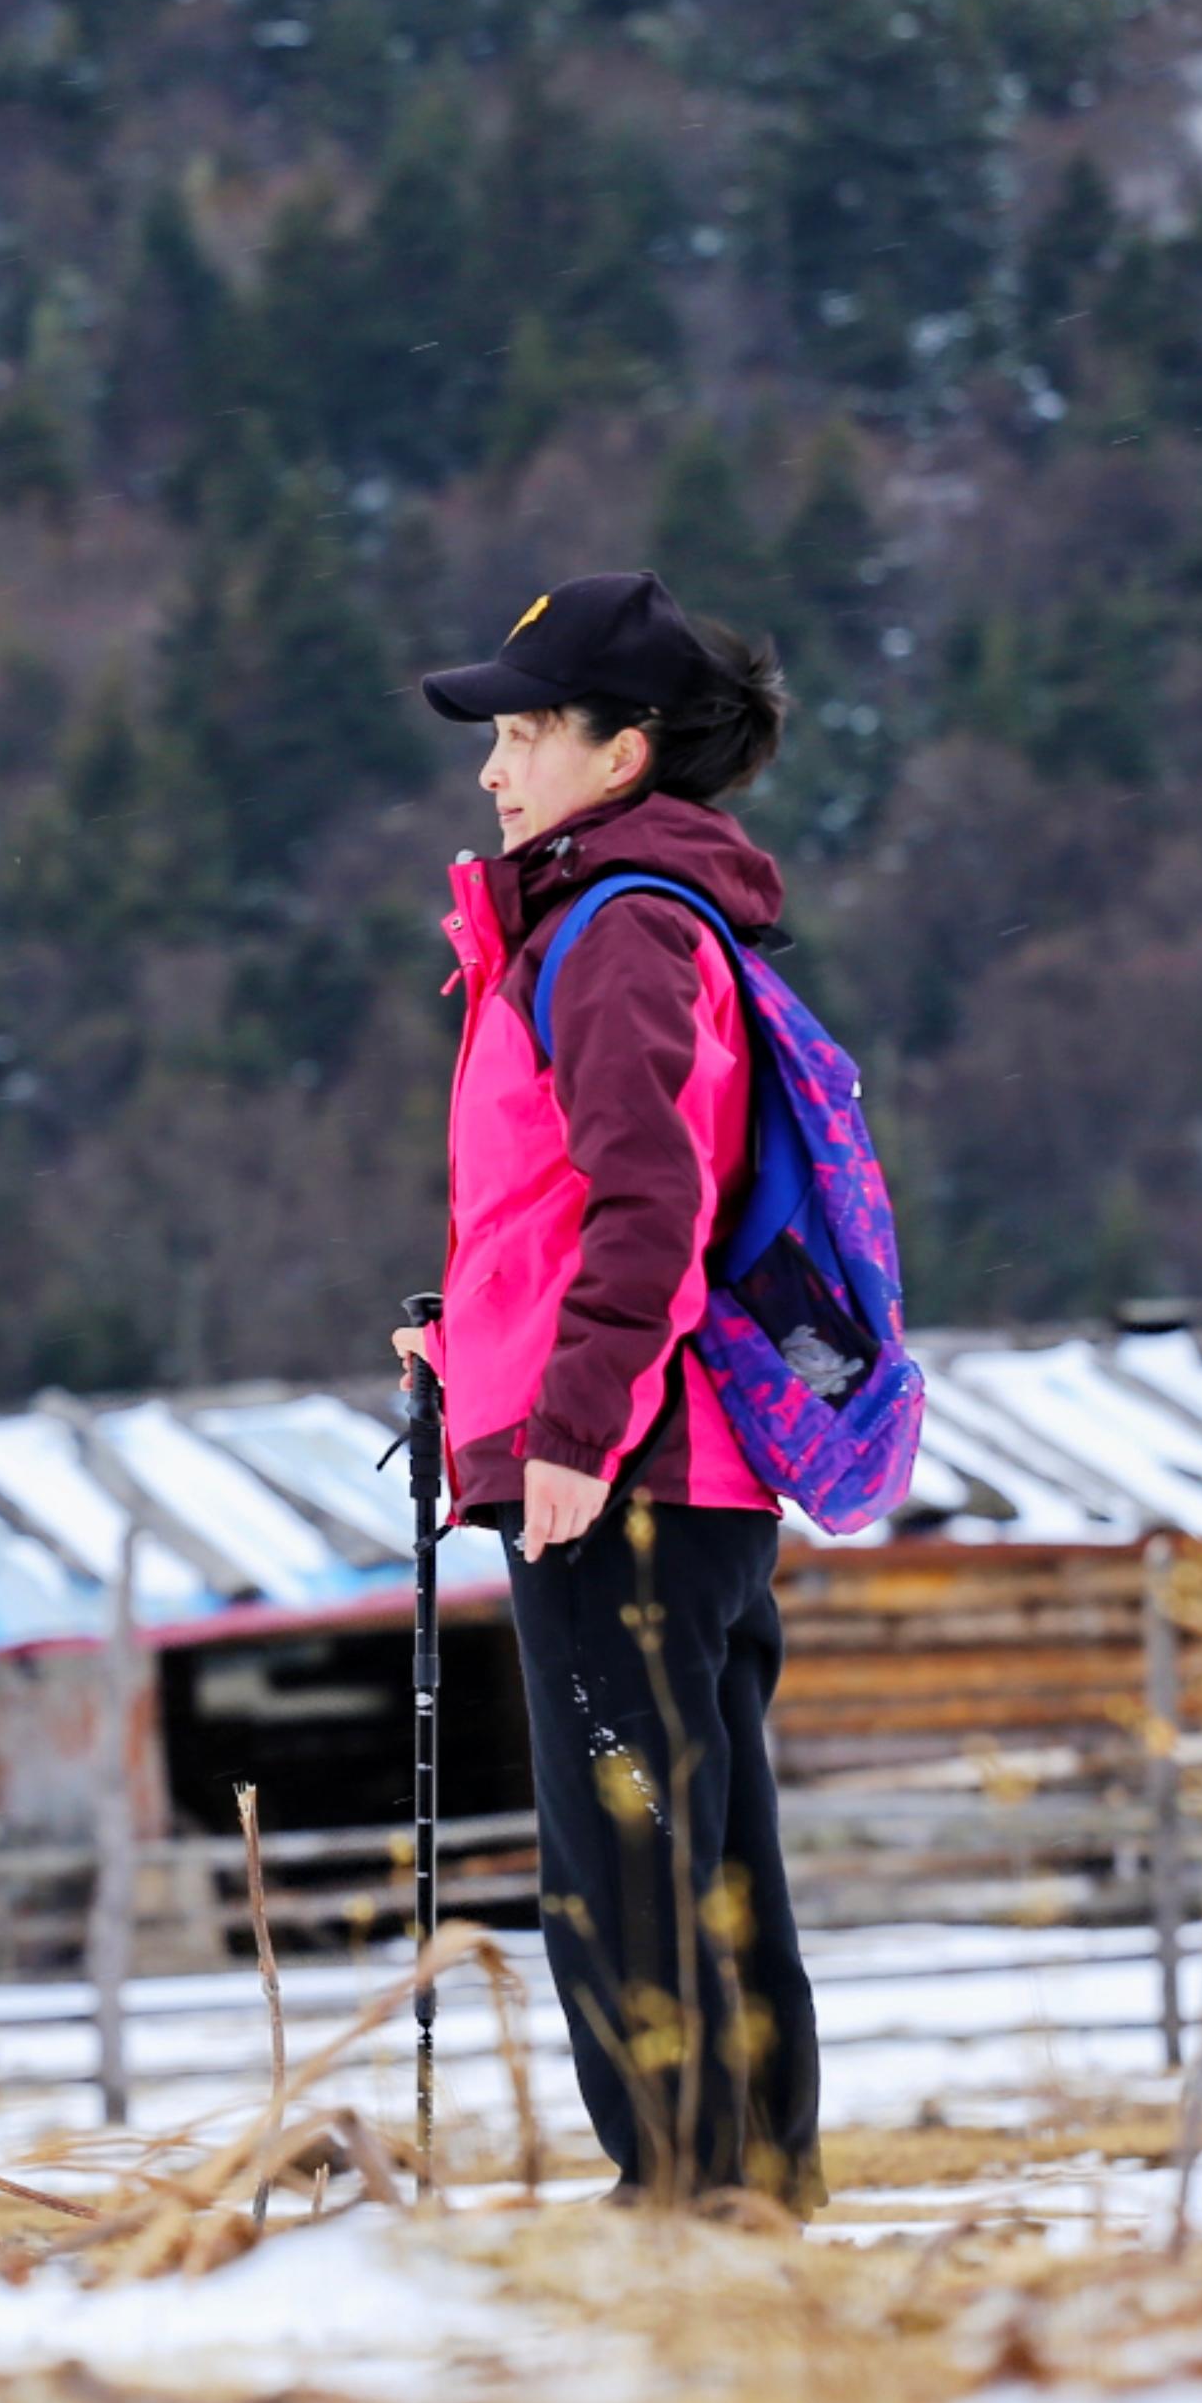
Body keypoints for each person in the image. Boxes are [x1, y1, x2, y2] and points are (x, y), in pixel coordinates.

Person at [400, 568, 824, 2212]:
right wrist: (467, 1343)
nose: (493, 768)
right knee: (704, 1848)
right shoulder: (618, 918)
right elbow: (564, 1212)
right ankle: (749, 2195)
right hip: (673, 1460)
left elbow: (654, 1204)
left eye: (526, 733)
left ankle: (689, 2205)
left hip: (621, 1469)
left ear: (622, 752)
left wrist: (569, 1426)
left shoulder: (618, 928)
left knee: (624, 1862)